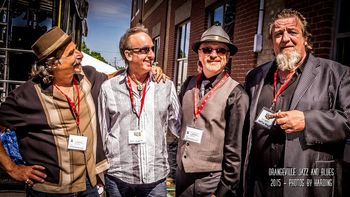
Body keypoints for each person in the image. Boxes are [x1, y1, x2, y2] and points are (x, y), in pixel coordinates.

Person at [0, 26, 165, 196]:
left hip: (88, 186)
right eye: (71, 53)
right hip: (50, 189)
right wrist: (12, 169)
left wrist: (147, 69)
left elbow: (117, 77)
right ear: (53, 64)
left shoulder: (88, 77)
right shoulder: (26, 95)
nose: (80, 55)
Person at [243, 8, 350, 197]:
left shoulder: (337, 73)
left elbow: (348, 120)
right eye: (278, 34)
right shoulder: (255, 76)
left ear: (306, 39)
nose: (285, 39)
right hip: (259, 184)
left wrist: (307, 121)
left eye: (292, 32)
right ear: (273, 43)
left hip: (304, 183)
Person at [98, 25, 181, 197]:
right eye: (144, 50)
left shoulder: (165, 86)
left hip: (155, 176)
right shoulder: (109, 88)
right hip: (119, 175)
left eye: (152, 49)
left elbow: (178, 127)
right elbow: (101, 132)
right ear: (128, 55)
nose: (151, 55)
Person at [176, 24, 249, 197]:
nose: (214, 55)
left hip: (211, 182)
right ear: (199, 54)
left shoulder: (237, 93)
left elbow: (236, 150)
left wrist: (222, 191)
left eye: (221, 50)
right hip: (181, 177)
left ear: (228, 56)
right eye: (207, 49)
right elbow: (176, 127)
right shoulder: (187, 84)